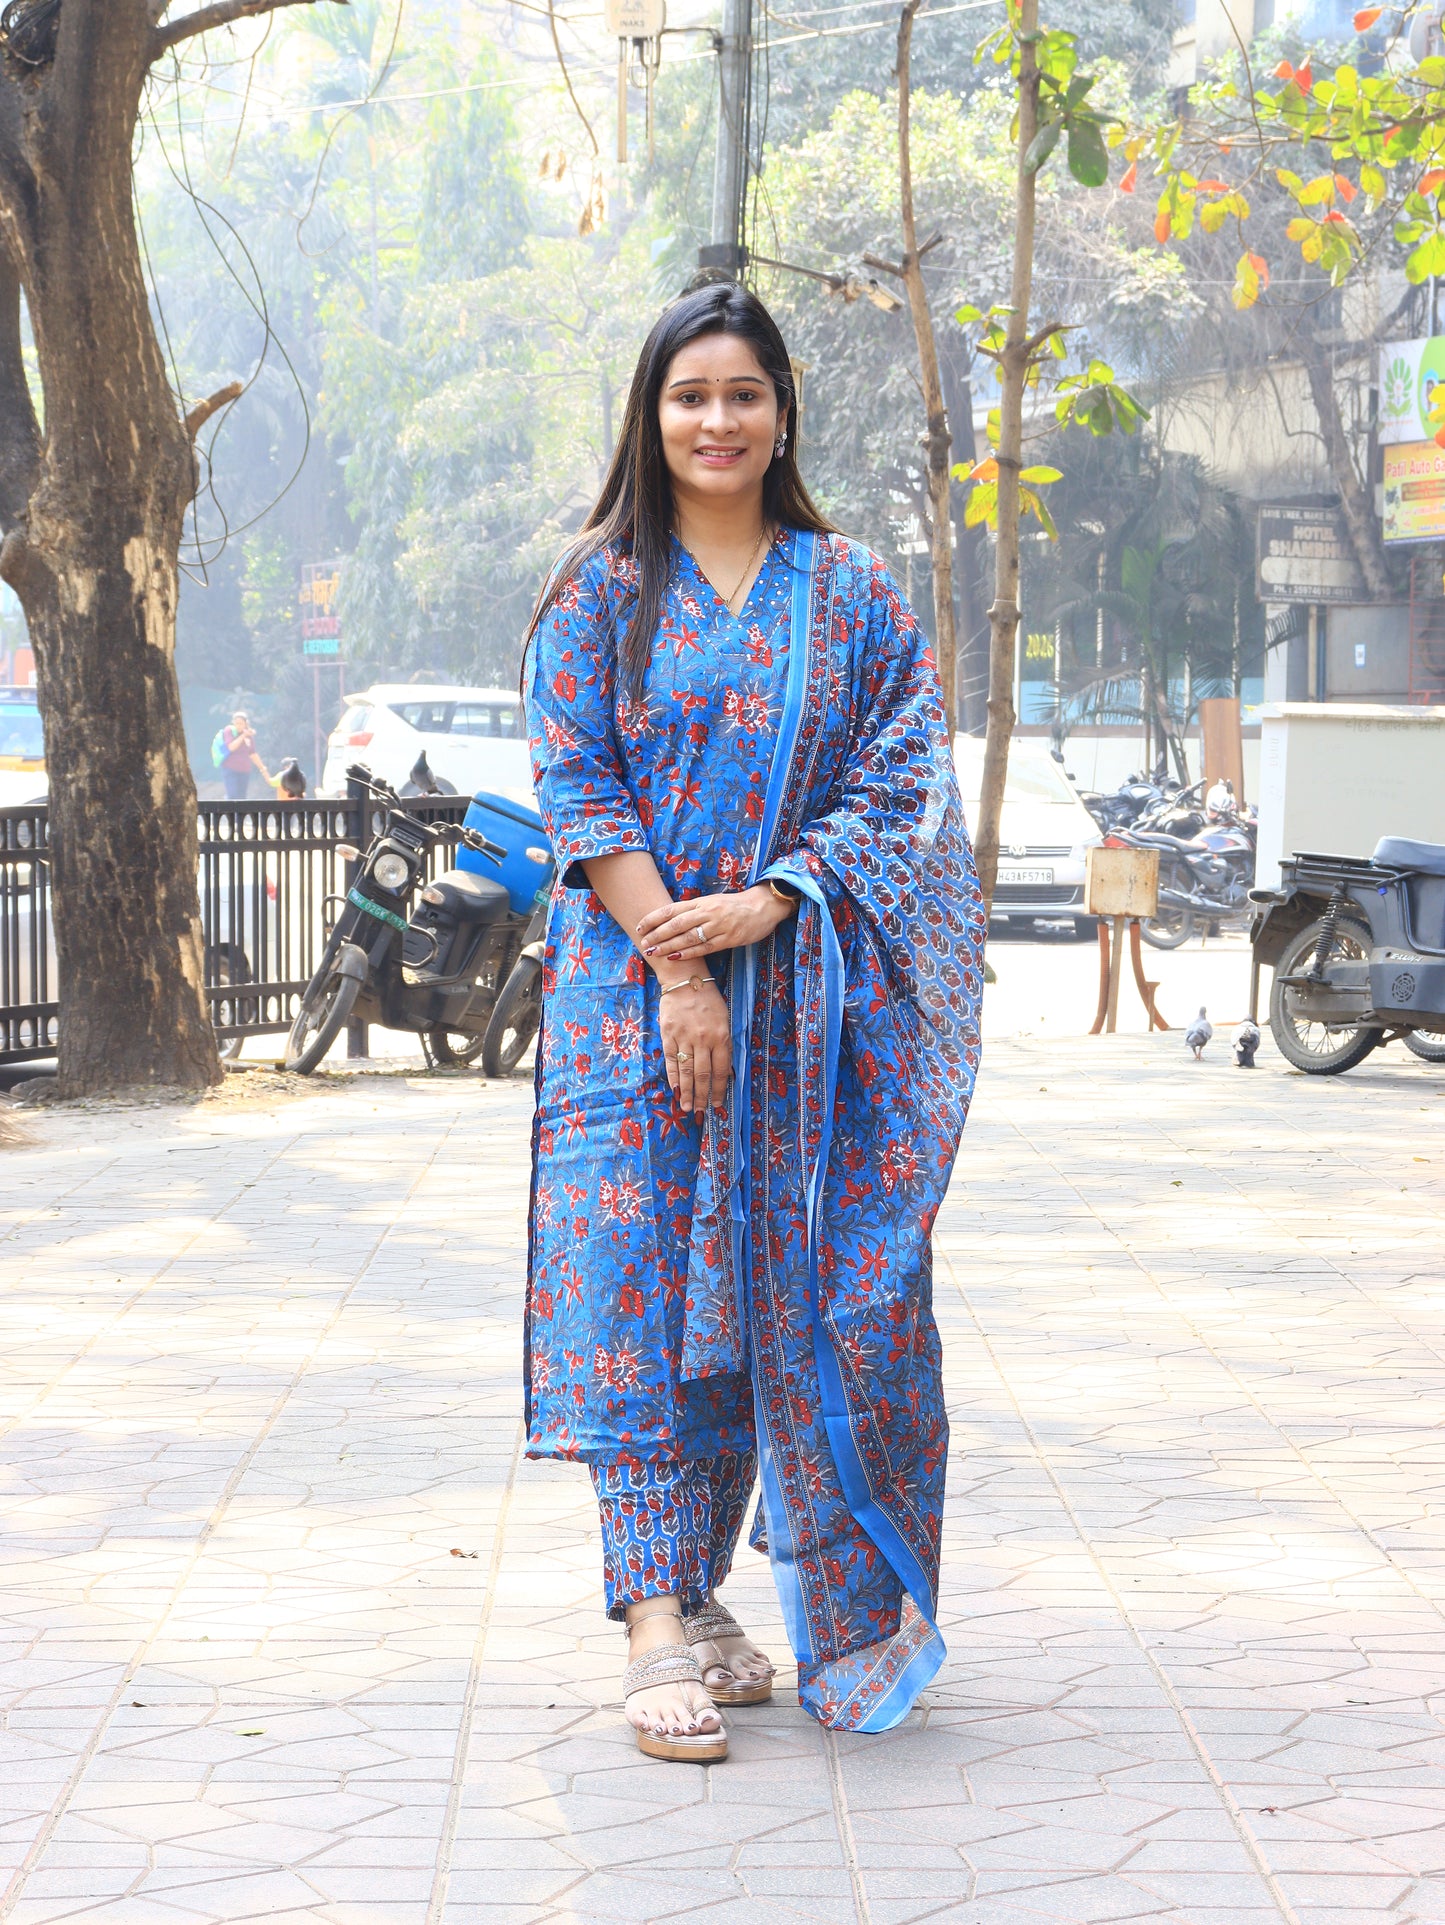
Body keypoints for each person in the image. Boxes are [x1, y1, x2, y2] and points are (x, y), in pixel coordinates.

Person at [523, 282, 985, 1765]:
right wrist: (677, 965)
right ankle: (657, 1616)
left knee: (812, 1290)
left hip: (809, 1014)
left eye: (742, 393)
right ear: (647, 416)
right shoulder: (600, 588)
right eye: (687, 395)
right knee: (645, 1288)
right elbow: (577, 779)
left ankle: (774, 1600)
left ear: (784, 409)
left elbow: (906, 775)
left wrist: (778, 898)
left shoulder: (849, 592)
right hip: (630, 1007)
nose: (715, 422)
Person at [215, 711, 258, 801]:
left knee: (242, 797)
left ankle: (240, 815)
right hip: (230, 769)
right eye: (236, 723)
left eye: (241, 723)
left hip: (245, 770)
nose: (238, 725)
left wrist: (262, 768)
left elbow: (252, 753)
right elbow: (231, 747)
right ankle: (230, 814)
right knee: (232, 795)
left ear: (246, 724)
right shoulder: (229, 731)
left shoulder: (249, 736)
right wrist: (243, 736)